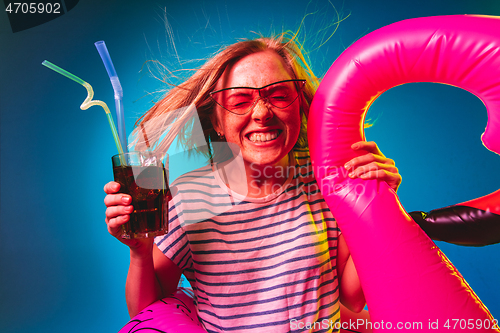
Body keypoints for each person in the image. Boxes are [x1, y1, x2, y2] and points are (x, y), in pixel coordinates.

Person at [104, 35, 402, 332]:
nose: (261, 113)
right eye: (240, 101)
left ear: (298, 104)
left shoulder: (328, 182)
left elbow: (351, 298)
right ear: (218, 122)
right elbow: (147, 314)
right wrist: (140, 252)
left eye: (279, 95)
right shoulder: (192, 198)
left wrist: (378, 204)